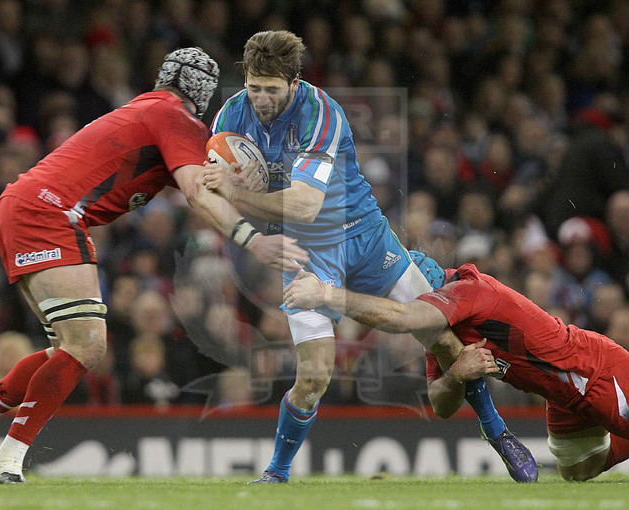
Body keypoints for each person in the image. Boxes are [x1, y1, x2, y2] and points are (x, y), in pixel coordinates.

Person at [0, 47, 309, 484]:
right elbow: (198, 193)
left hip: (23, 206)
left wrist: (248, 191)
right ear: (203, 94)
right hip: (50, 213)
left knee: (66, 349)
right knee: (87, 346)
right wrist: (254, 240)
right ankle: (7, 459)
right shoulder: (176, 118)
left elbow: (208, 187)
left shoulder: (150, 112)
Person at [202, 31, 536, 484]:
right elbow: (210, 188)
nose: (261, 99)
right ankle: (276, 475)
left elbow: (304, 205)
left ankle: (498, 433)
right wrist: (232, 205)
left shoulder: (320, 113)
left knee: (442, 340)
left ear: (295, 83)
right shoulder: (230, 115)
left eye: (271, 89)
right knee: (314, 376)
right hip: (308, 256)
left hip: (365, 239)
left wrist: (236, 193)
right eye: (254, 87)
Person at [283, 254, 629, 482]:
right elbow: (442, 406)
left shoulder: (468, 291)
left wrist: (327, 295)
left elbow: (400, 318)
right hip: (561, 395)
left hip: (595, 375)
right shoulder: (442, 333)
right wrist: (458, 373)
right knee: (579, 468)